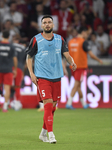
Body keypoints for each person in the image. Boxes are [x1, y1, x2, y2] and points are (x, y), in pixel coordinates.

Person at [26, 15, 76, 144]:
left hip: (57, 77)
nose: (47, 24)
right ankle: (51, 134)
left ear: (53, 25)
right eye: (45, 22)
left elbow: (66, 55)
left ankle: (43, 132)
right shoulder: (36, 39)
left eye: (49, 22)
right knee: (47, 104)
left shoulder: (60, 39)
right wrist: (31, 73)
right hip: (42, 77)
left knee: (52, 107)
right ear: (41, 25)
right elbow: (29, 57)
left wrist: (72, 62)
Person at [66, 27, 103, 109]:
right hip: (80, 66)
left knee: (78, 85)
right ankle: (69, 103)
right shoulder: (83, 42)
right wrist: (99, 60)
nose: (87, 35)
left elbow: (67, 54)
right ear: (83, 33)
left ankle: (84, 103)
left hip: (72, 66)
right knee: (76, 84)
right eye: (86, 33)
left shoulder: (71, 41)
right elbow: (91, 55)